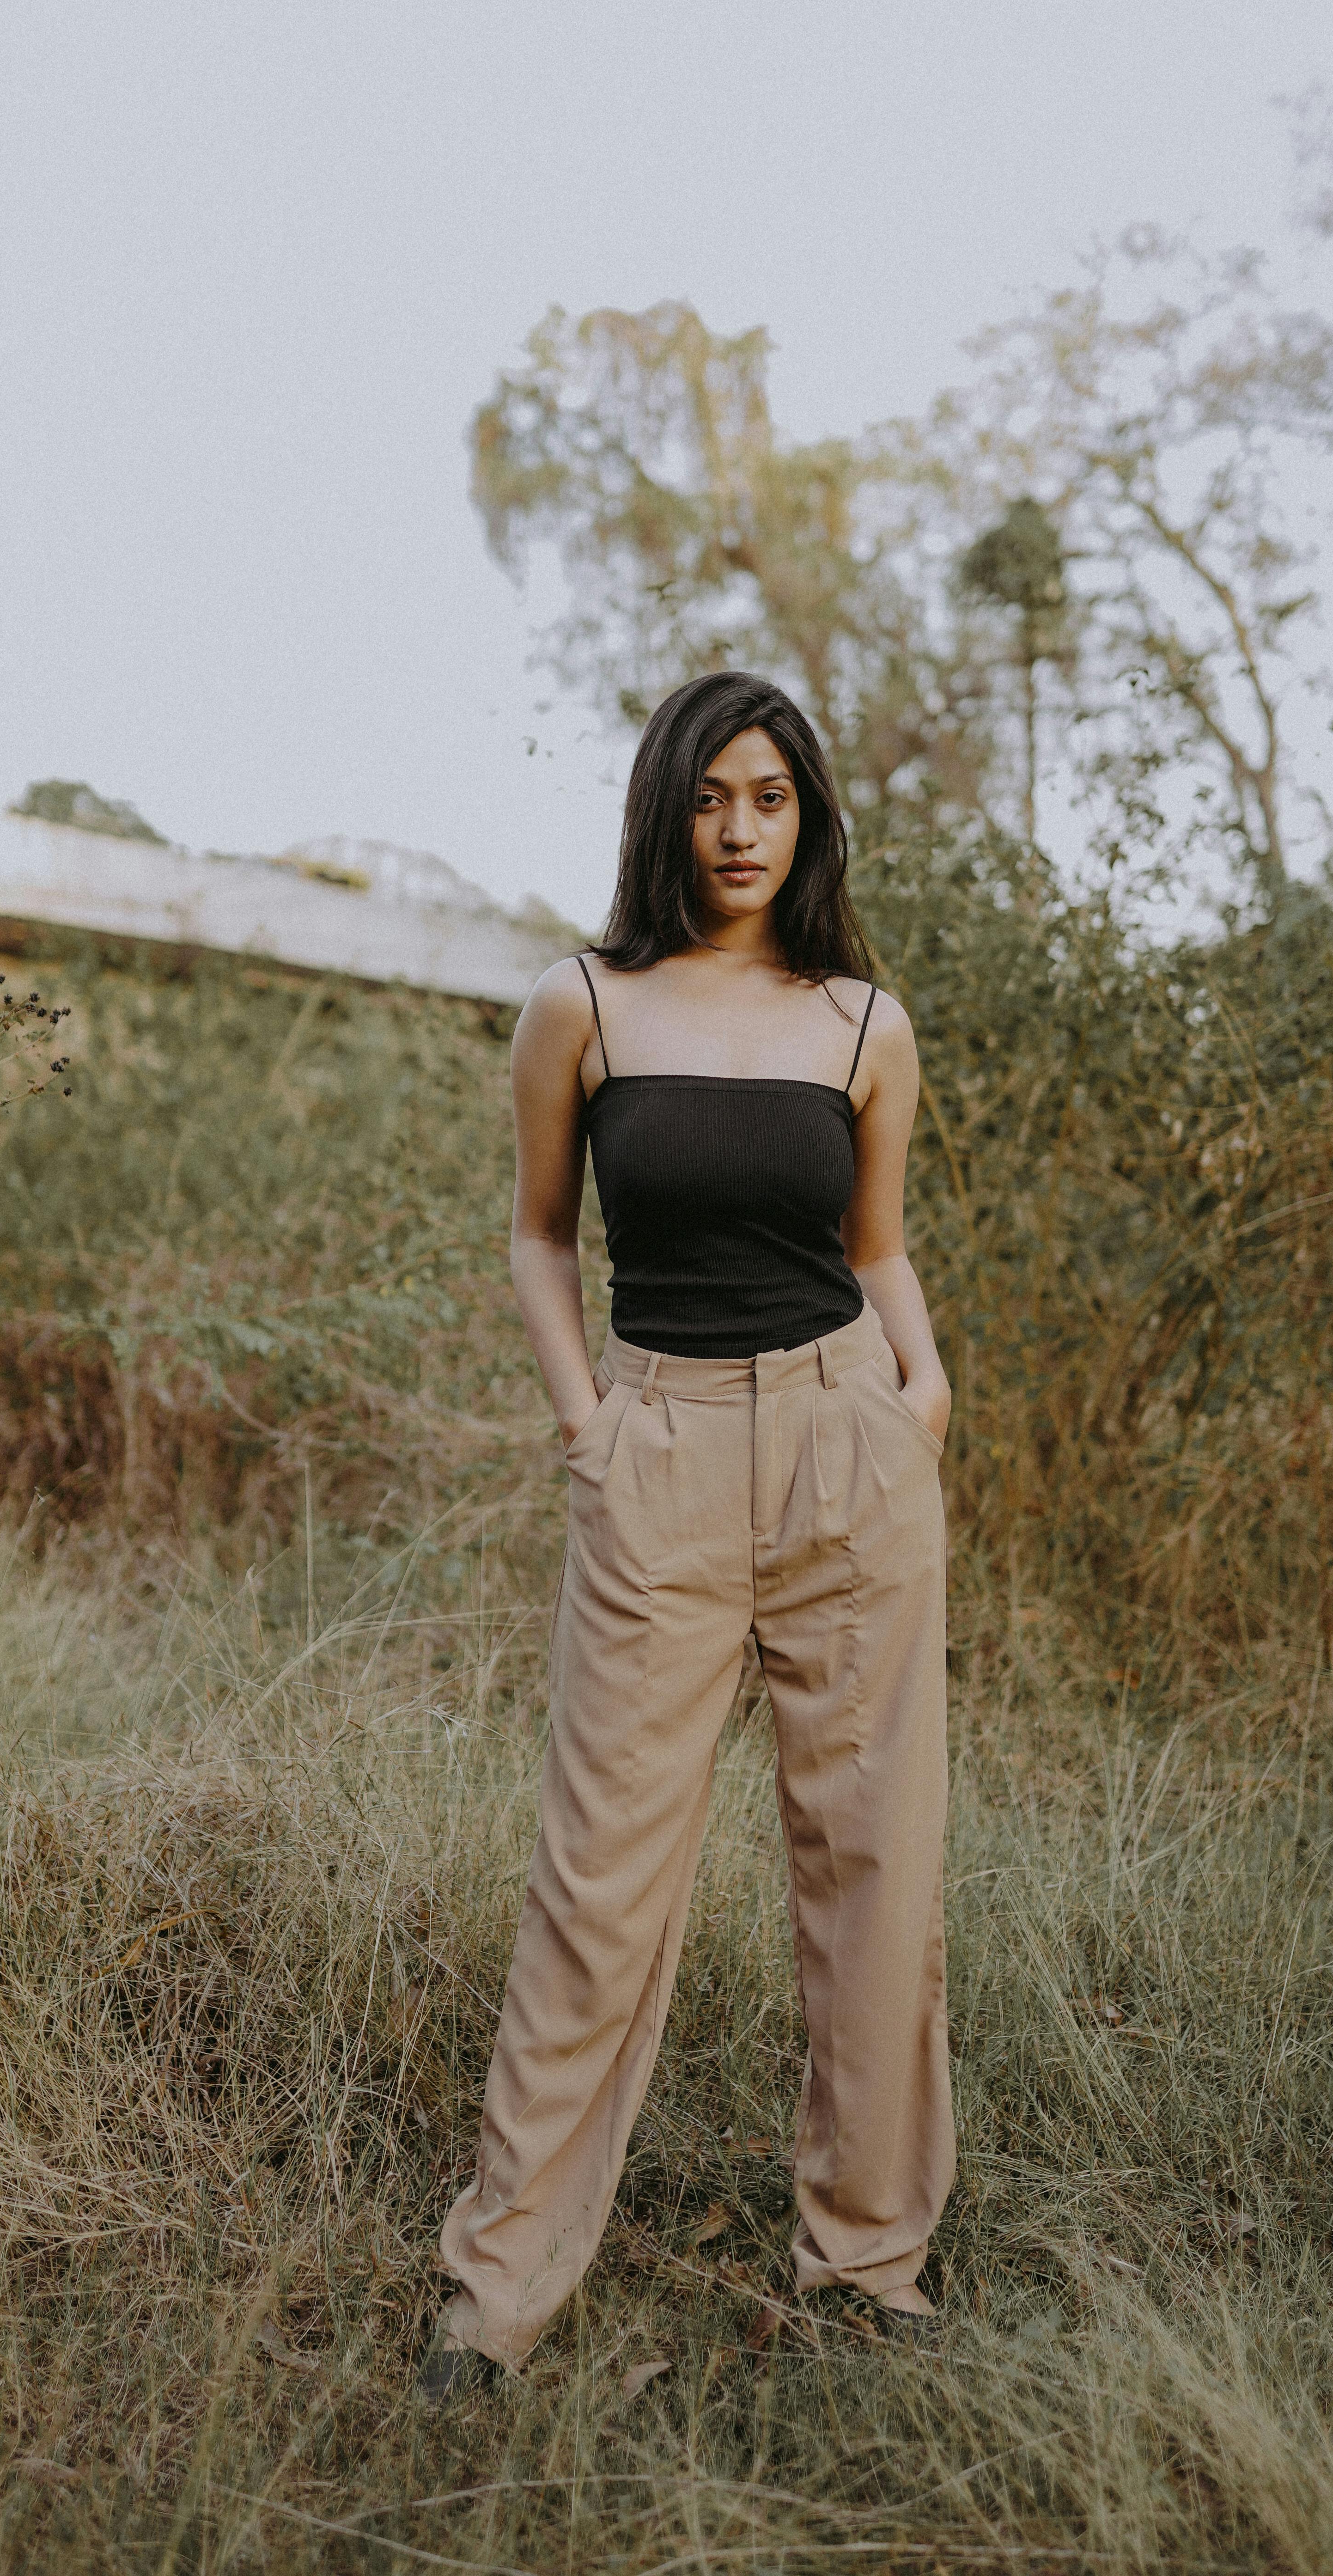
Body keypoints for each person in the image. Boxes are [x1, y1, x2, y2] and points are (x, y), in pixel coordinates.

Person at [419, 670, 954, 2404]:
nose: (742, 829)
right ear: (669, 808)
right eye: (714, 797)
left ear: (809, 817)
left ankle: (867, 2271)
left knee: (874, 1869)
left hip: (844, 1453)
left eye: (773, 798)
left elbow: (875, 1247)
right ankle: (497, 2294)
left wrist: (922, 1385)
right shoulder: (581, 1006)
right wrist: (587, 1425)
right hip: (653, 1452)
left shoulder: (864, 1024)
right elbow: (535, 1236)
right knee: (599, 1884)